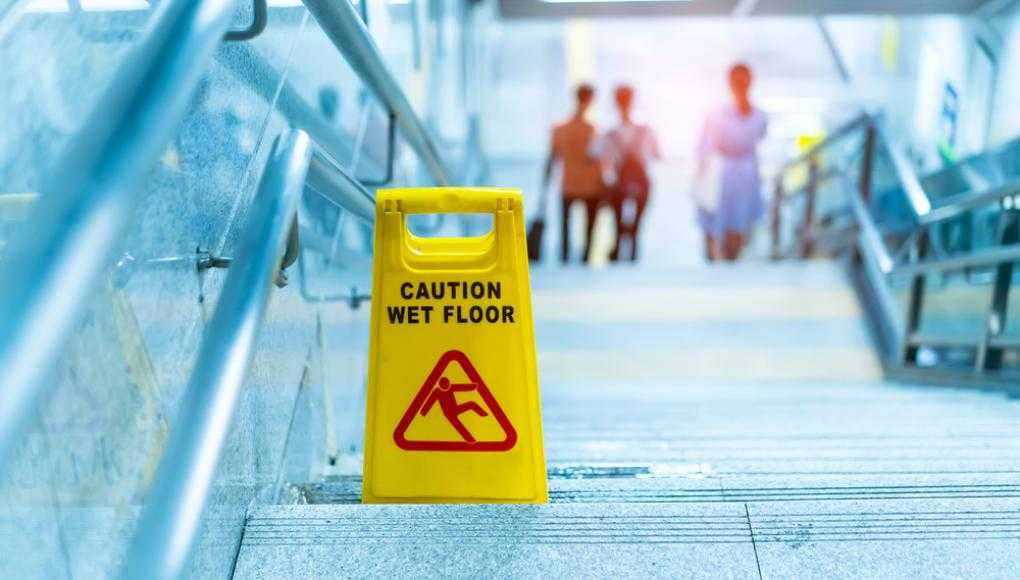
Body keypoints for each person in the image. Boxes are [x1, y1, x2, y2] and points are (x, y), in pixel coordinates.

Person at [696, 63, 767, 261]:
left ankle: (731, 265)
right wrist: (701, 178)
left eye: (744, 80)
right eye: (736, 80)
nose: (740, 84)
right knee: (713, 220)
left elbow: (760, 138)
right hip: (719, 171)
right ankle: (714, 265)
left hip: (746, 173)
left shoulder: (759, 115)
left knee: (738, 222)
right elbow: (703, 147)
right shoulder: (717, 114)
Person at [596, 85, 660, 262]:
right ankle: (632, 259)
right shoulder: (646, 130)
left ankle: (617, 256)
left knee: (617, 225)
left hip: (618, 183)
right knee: (636, 228)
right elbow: (657, 154)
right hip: (642, 183)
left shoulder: (609, 133)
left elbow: (593, 154)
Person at [543, 84, 605, 263]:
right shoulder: (593, 130)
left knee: (565, 227)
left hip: (568, 184)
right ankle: (585, 260)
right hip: (591, 185)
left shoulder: (559, 129)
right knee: (589, 229)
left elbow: (551, 159)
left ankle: (564, 259)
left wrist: (544, 190)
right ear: (591, 100)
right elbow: (598, 160)